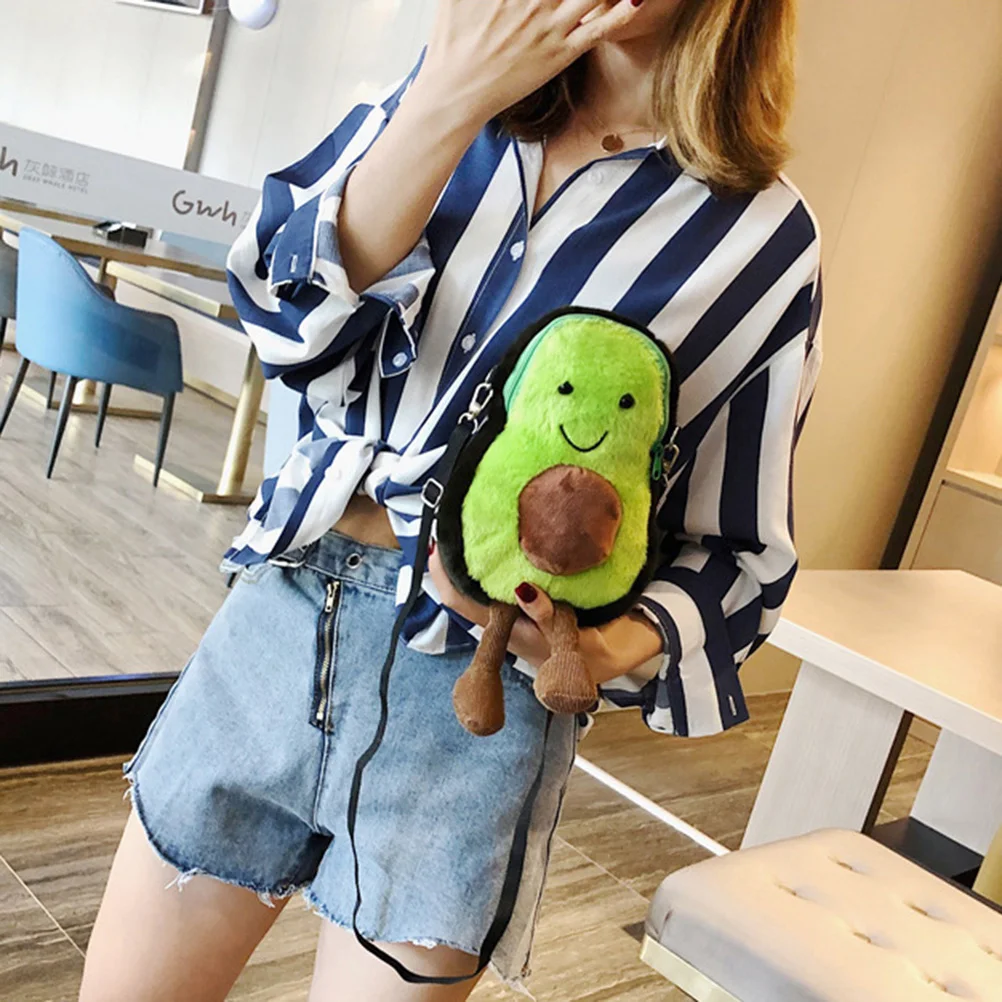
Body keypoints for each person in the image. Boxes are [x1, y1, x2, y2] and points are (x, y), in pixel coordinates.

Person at [80, 1, 821, 999]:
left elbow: (739, 548)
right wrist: (446, 99)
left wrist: (600, 651)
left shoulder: (763, 238)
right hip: (286, 621)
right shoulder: (437, 100)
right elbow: (285, 323)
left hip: (476, 704)